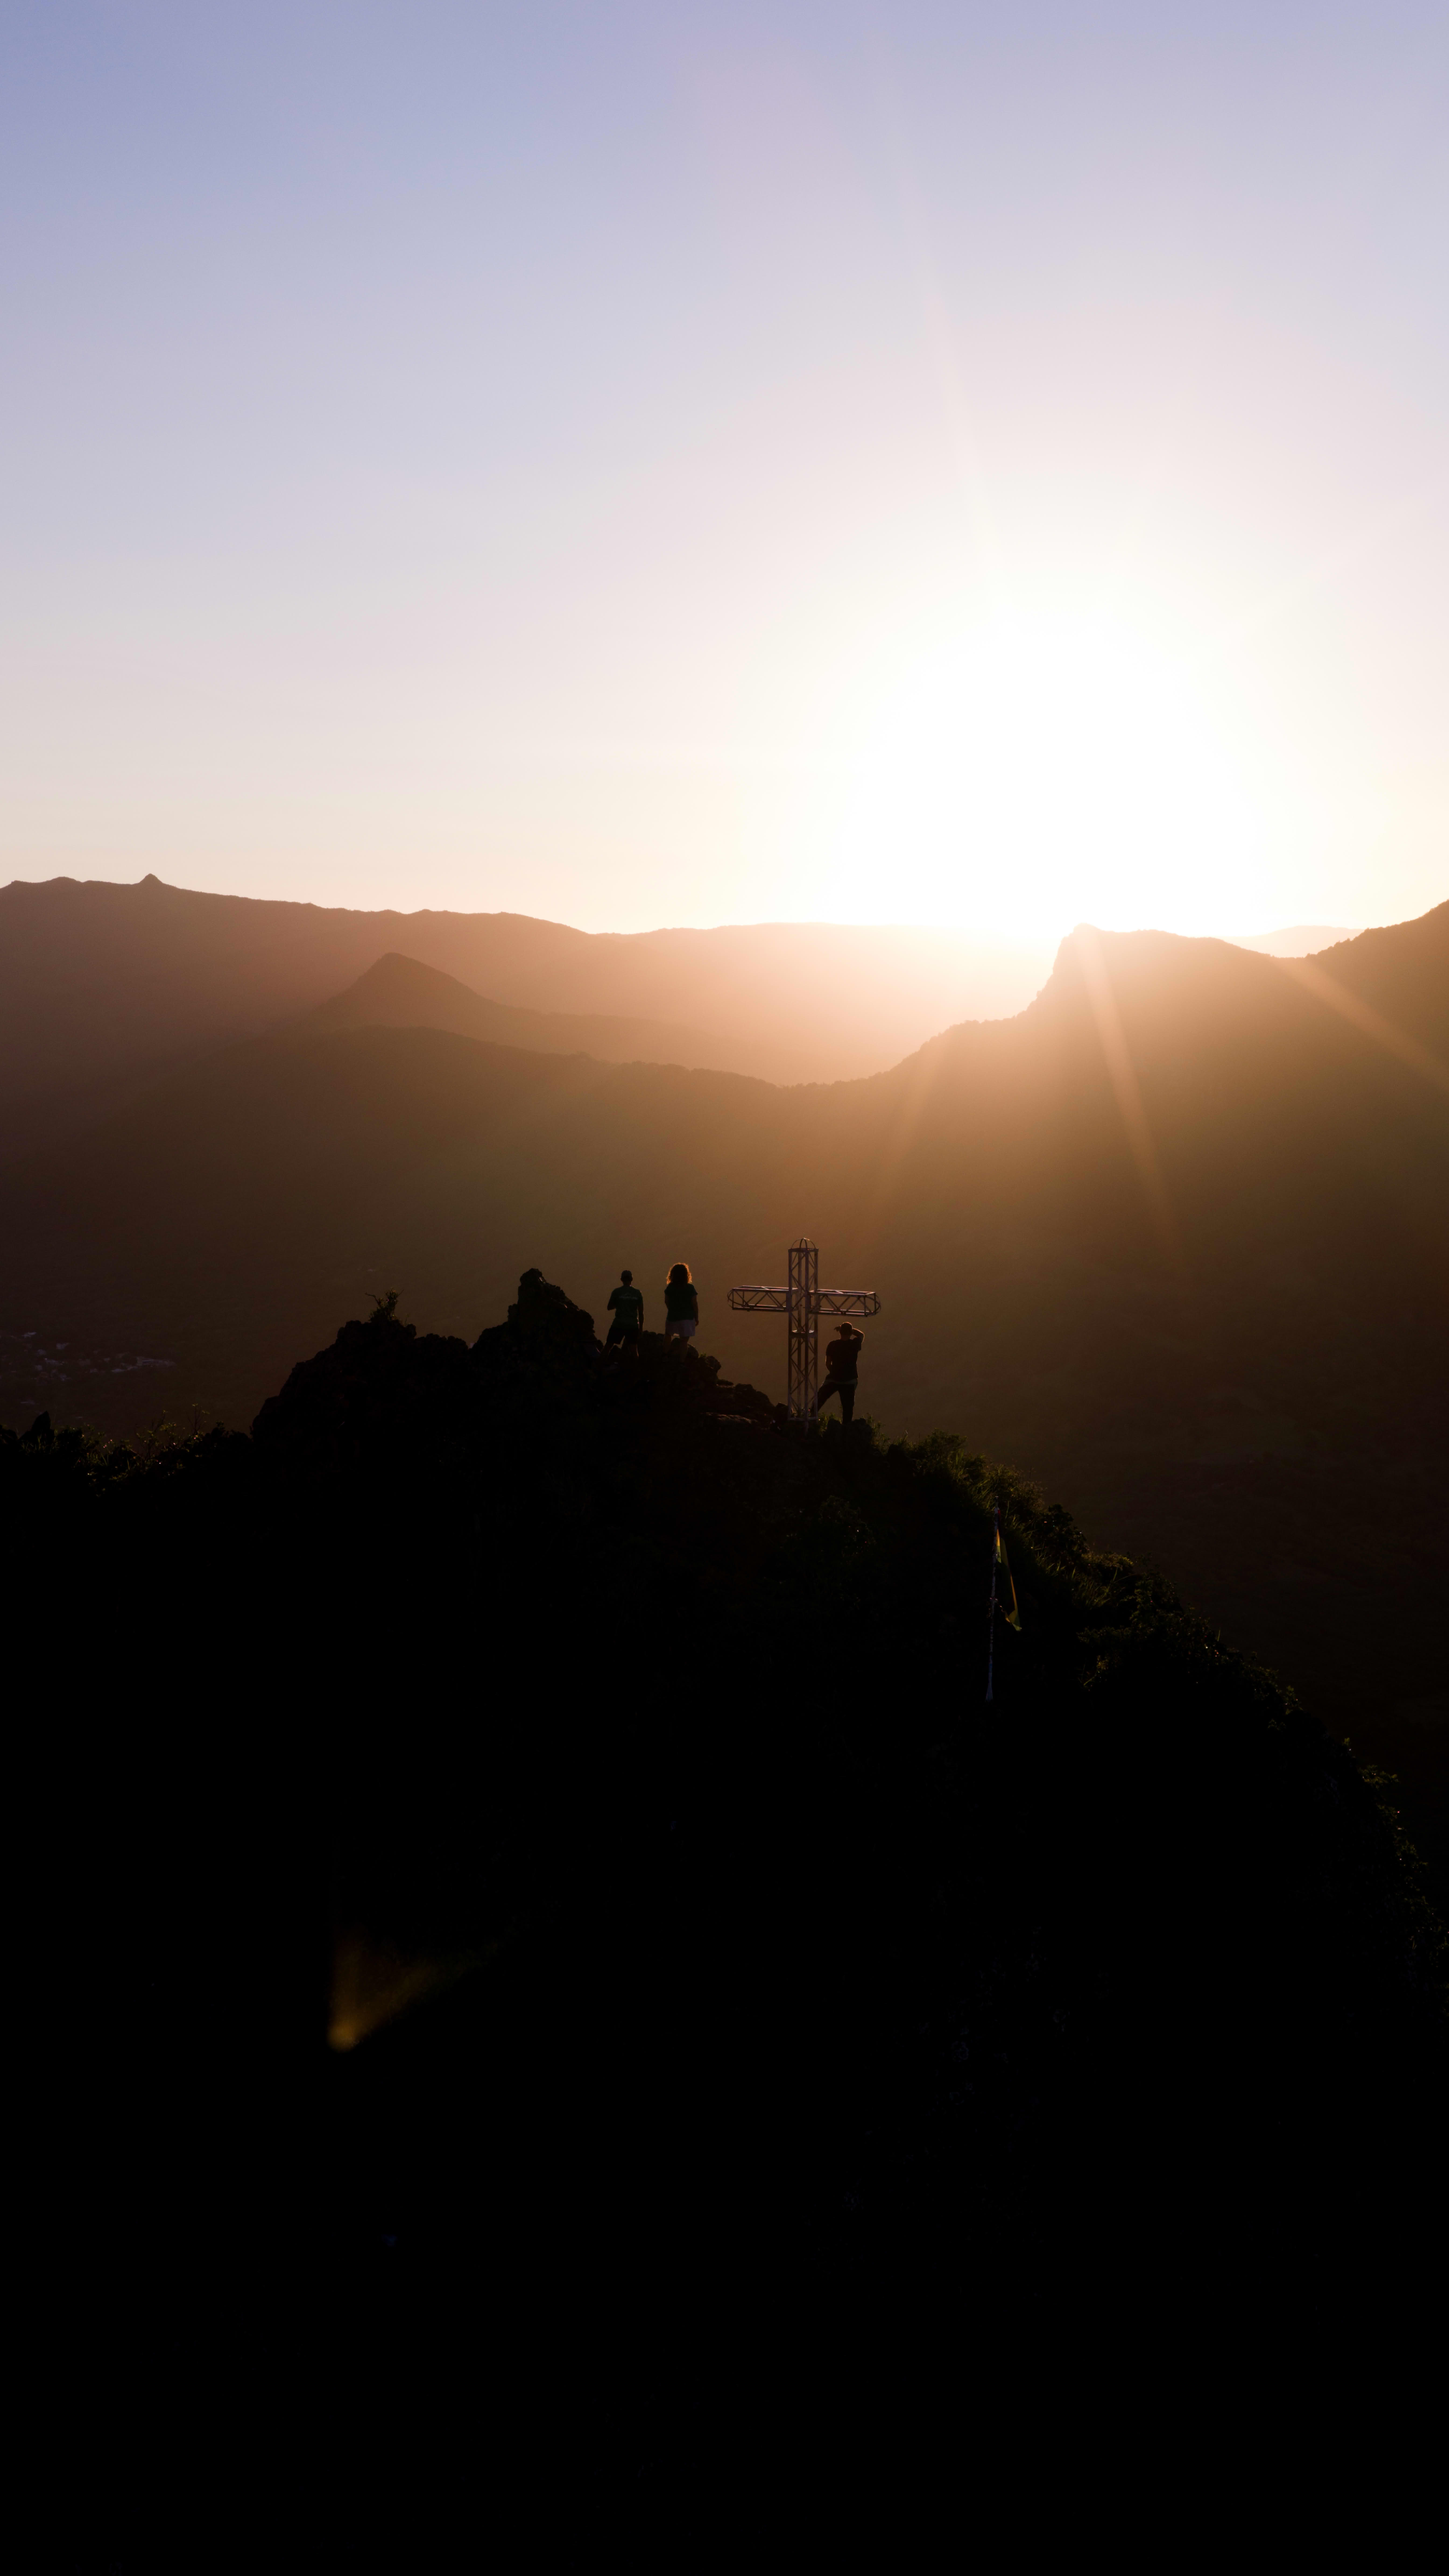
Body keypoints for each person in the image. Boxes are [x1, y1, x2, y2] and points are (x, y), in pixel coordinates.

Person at [817, 1321, 863, 1424]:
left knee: (819, 1400)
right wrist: (851, 1330)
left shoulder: (833, 1345)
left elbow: (828, 1363)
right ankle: (846, 1430)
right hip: (850, 1381)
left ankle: (809, 1418)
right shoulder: (854, 1344)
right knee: (848, 1408)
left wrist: (835, 1372)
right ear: (851, 1333)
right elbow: (861, 1335)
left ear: (840, 1332)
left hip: (833, 1379)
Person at [604, 1268, 644, 1357]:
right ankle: (635, 1369)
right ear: (632, 1280)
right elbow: (641, 1313)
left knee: (608, 1346)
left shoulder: (617, 1292)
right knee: (634, 1350)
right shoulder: (638, 1293)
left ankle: (599, 1367)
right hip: (633, 1325)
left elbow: (609, 1307)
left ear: (622, 1280)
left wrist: (620, 1303)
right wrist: (641, 1329)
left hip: (619, 1324)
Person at [663, 1262, 699, 1346]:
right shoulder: (690, 1288)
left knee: (668, 1335)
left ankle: (665, 1355)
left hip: (673, 1317)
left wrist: (672, 1310)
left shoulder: (670, 1288)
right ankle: (682, 1359)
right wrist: (696, 1318)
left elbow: (666, 1301)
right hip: (688, 1318)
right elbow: (695, 1304)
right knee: (684, 1342)